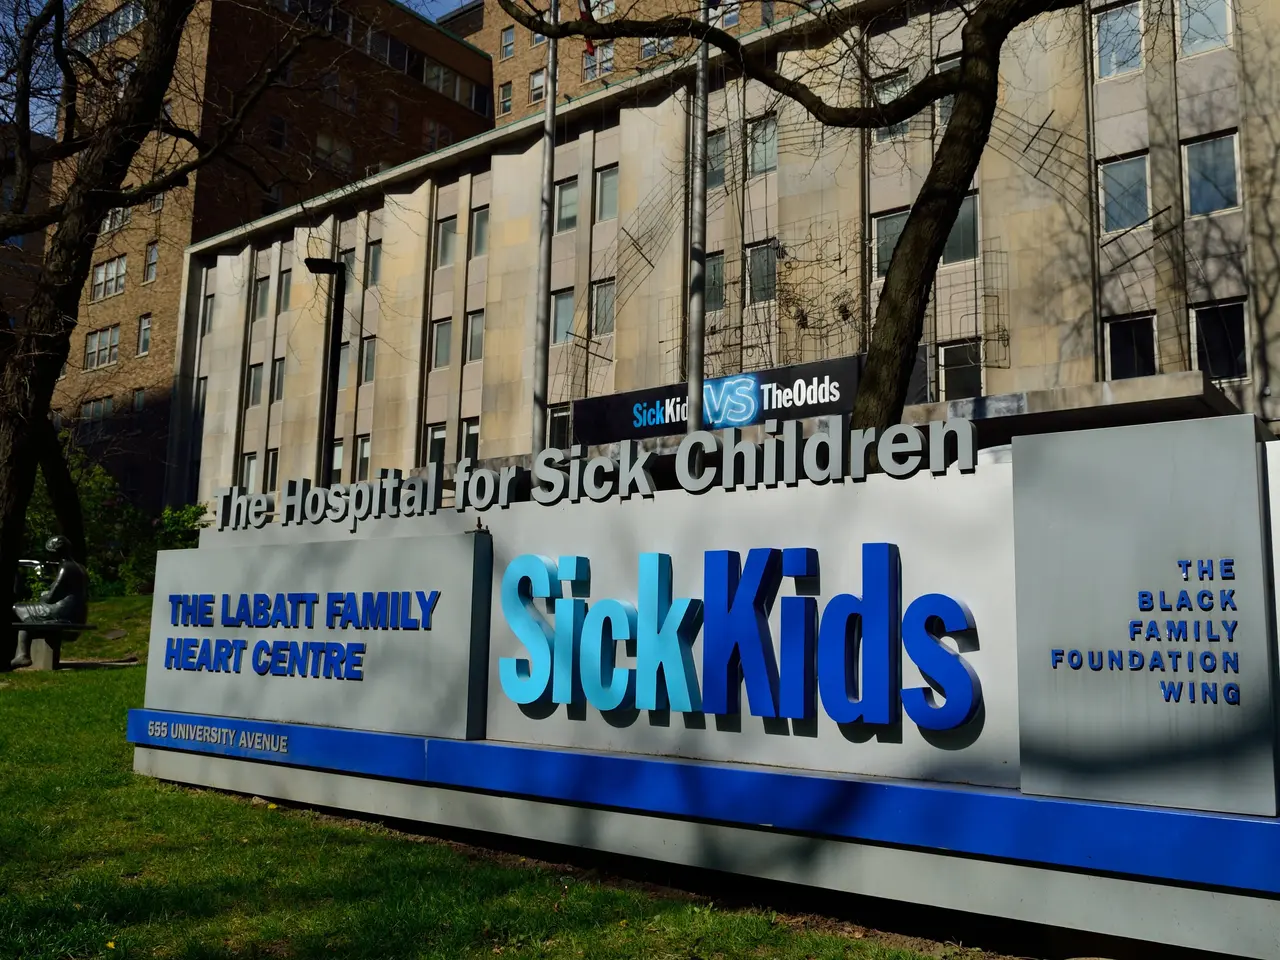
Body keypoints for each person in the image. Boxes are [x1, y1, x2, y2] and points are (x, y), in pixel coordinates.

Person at [11, 536, 88, 668]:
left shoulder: (65, 568)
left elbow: (51, 597)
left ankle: (23, 654)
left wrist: (43, 595)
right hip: (78, 612)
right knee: (29, 615)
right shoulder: (80, 568)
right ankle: (23, 653)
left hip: (63, 612)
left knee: (18, 608)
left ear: (56, 553)